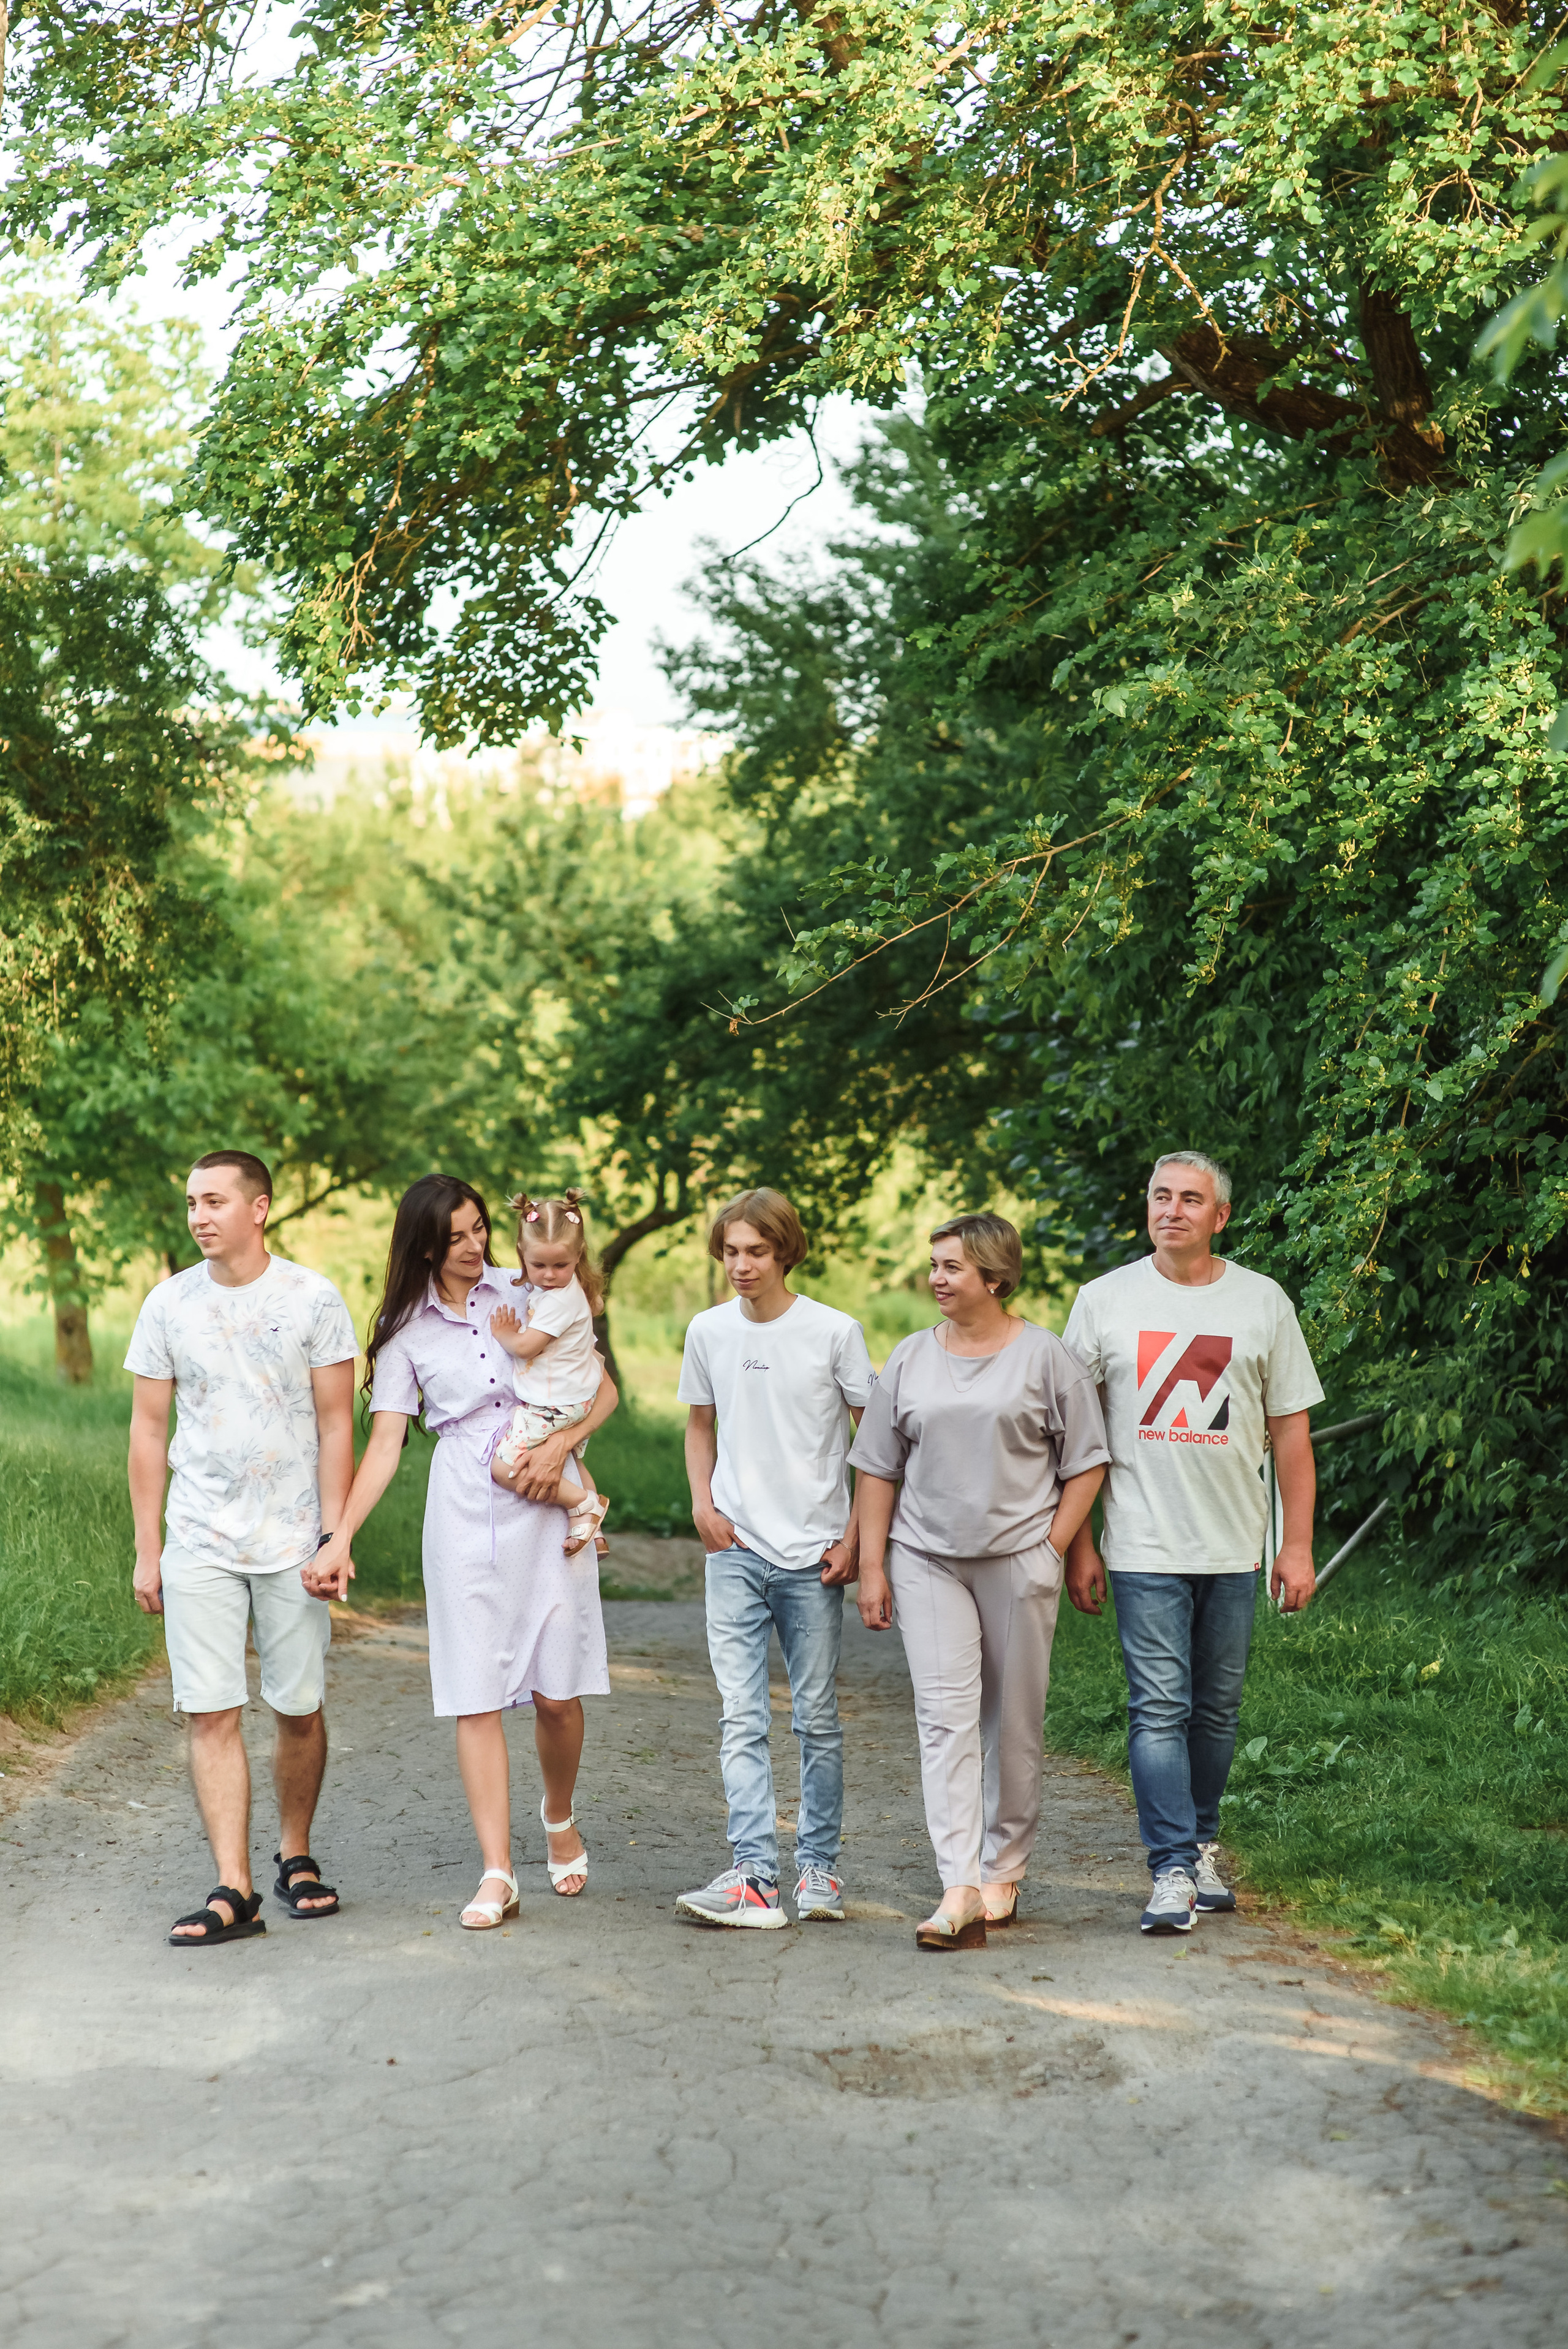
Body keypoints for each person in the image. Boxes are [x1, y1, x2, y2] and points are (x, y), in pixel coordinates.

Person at [311, 1175, 620, 1927]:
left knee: (558, 1694)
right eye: (456, 1236)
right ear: (424, 1246)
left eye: (481, 1228)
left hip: (546, 1486)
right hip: (463, 1505)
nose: (475, 1245)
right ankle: (496, 1872)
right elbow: (385, 1445)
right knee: (475, 1692)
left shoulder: (531, 1287)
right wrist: (340, 1535)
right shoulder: (405, 1329)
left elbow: (601, 1389)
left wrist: (565, 1448)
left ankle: (558, 1814)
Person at [1062, 1151, 1322, 1935]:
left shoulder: (1261, 1301)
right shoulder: (1103, 1301)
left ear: (1220, 1216)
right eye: (1160, 1196)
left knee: (1215, 1711)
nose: (1171, 1209)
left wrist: (1296, 1545)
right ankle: (1170, 1866)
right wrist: (1079, 1544)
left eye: (1190, 1199)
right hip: (1142, 1543)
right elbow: (1072, 1438)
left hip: (1234, 1544)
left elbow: (1292, 1435)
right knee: (1158, 1707)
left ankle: (1201, 1844)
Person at [850, 1212, 1110, 1951]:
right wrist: (872, 1565)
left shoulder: (1046, 1358)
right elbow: (876, 1467)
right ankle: (959, 1883)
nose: (935, 1278)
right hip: (925, 1557)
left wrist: (1051, 1549)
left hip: (1018, 1559)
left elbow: (1086, 1462)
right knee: (944, 1720)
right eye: (933, 1264)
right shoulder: (909, 1357)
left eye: (951, 1267)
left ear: (993, 1278)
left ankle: (1004, 1866)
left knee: (1012, 1722)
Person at [127, 1151, 358, 1946]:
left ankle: (296, 1854)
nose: (199, 1216)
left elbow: (338, 1424)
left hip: (295, 1538)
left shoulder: (313, 1298)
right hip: (198, 1536)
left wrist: (333, 1535)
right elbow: (148, 1429)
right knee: (209, 1710)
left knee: (298, 1705)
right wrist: (148, 1548)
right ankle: (235, 1887)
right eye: (193, 1202)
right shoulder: (167, 1303)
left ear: (258, 1208)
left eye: (215, 1201)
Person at [675, 1188, 874, 1928]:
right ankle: (754, 1875)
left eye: (756, 1251)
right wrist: (702, 1504)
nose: (741, 1265)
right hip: (734, 1548)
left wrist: (854, 1539)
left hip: (811, 1556)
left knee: (815, 1718)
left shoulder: (834, 1332)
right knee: (741, 1717)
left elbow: (875, 1443)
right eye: (730, 1251)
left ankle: (819, 1869)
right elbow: (700, 1425)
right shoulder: (708, 1330)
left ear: (784, 1252)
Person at [488, 1187, 609, 1557]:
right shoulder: (572, 1290)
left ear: (579, 1255)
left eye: (560, 1266)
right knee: (574, 1461)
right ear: (522, 1255)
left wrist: (506, 1335)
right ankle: (596, 1531)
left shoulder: (559, 1300)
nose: (550, 1275)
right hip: (575, 1399)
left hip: (554, 1405)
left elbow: (528, 1347)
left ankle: (583, 1505)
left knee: (503, 1469)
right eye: (538, 1266)